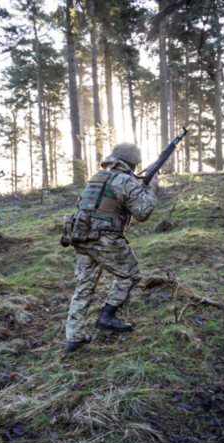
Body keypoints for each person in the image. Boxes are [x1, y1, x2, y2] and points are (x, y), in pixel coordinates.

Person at [61, 142, 159, 353]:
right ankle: (107, 316)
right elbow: (142, 212)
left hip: (82, 237)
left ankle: (74, 336)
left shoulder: (98, 177)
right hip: (105, 239)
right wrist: (151, 190)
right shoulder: (124, 179)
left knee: (84, 287)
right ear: (133, 163)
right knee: (130, 275)